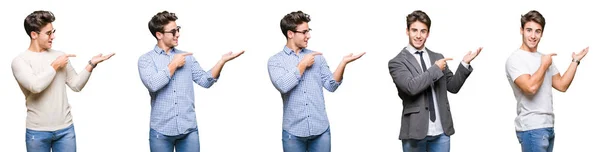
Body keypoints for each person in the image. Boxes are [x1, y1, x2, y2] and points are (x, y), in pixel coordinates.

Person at [137, 11, 244, 152]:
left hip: (188, 130)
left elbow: (205, 81)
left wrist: (221, 61)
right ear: (159, 35)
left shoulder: (187, 57)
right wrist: (173, 64)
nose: (178, 34)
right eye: (173, 31)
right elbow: (153, 84)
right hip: (161, 131)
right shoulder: (146, 60)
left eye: (178, 29)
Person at [11, 10, 115, 152]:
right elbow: (35, 86)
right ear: (34, 34)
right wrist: (55, 66)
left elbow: (76, 85)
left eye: (53, 31)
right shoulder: (20, 61)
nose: (53, 36)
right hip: (37, 132)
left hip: (65, 130)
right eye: (48, 33)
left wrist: (91, 64)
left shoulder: (60, 55)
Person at [267, 10, 365, 152]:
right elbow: (283, 85)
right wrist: (302, 65)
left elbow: (331, 86)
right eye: (304, 32)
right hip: (293, 133)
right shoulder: (275, 61)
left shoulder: (317, 57)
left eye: (309, 31)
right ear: (290, 34)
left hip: (321, 131)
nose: (309, 36)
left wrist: (343, 63)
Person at [388, 10, 482, 152]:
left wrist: (464, 64)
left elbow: (453, 86)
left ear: (428, 33)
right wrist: (435, 69)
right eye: (414, 30)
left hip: (441, 131)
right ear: (407, 31)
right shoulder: (397, 62)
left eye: (423, 31)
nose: (418, 36)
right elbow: (410, 87)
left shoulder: (437, 57)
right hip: (415, 131)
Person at [505, 10, 589, 152]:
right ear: (521, 31)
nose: (533, 36)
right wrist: (544, 65)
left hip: (548, 126)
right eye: (529, 30)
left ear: (542, 34)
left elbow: (562, 85)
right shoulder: (515, 59)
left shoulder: (545, 58)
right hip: (531, 128)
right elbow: (530, 88)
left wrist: (575, 61)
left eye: (537, 31)